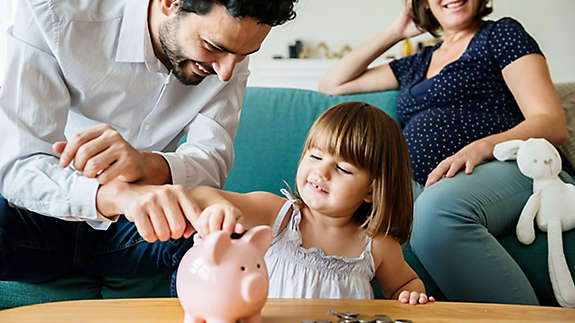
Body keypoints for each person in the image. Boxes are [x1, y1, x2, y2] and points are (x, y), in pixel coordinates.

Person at [0, 0, 297, 283]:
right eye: (212, 47)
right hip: (38, 219)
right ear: (170, 3)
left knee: (221, 237)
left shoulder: (229, 54)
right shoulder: (52, 13)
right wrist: (117, 196)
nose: (226, 72)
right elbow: (18, 165)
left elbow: (212, 162)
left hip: (140, 230)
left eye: (244, 55)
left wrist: (147, 164)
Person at [318, 0, 575, 305]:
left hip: (506, 164)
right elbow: (331, 84)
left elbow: (551, 123)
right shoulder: (418, 60)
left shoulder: (501, 35)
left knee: (435, 214)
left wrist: (481, 147)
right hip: (427, 182)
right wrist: (397, 31)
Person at [189, 102, 434, 304]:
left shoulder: (377, 245)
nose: (321, 171)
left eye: (342, 169)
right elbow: (201, 195)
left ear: (371, 190)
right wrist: (219, 208)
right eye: (315, 156)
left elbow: (406, 284)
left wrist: (411, 294)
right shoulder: (277, 214)